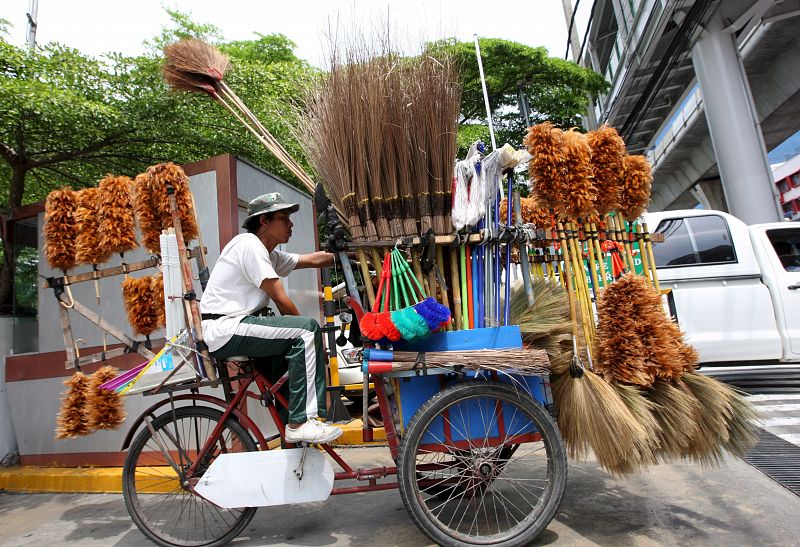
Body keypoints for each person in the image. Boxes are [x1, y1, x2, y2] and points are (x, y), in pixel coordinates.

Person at [200, 192, 342, 444]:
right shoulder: (249, 245)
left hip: (242, 328)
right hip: (227, 328)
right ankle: (300, 422)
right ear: (264, 221)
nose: (291, 224)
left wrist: (346, 254)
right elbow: (280, 298)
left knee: (290, 365)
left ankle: (293, 439)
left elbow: (311, 259)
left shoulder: (268, 254)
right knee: (307, 331)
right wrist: (307, 333)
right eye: (284, 218)